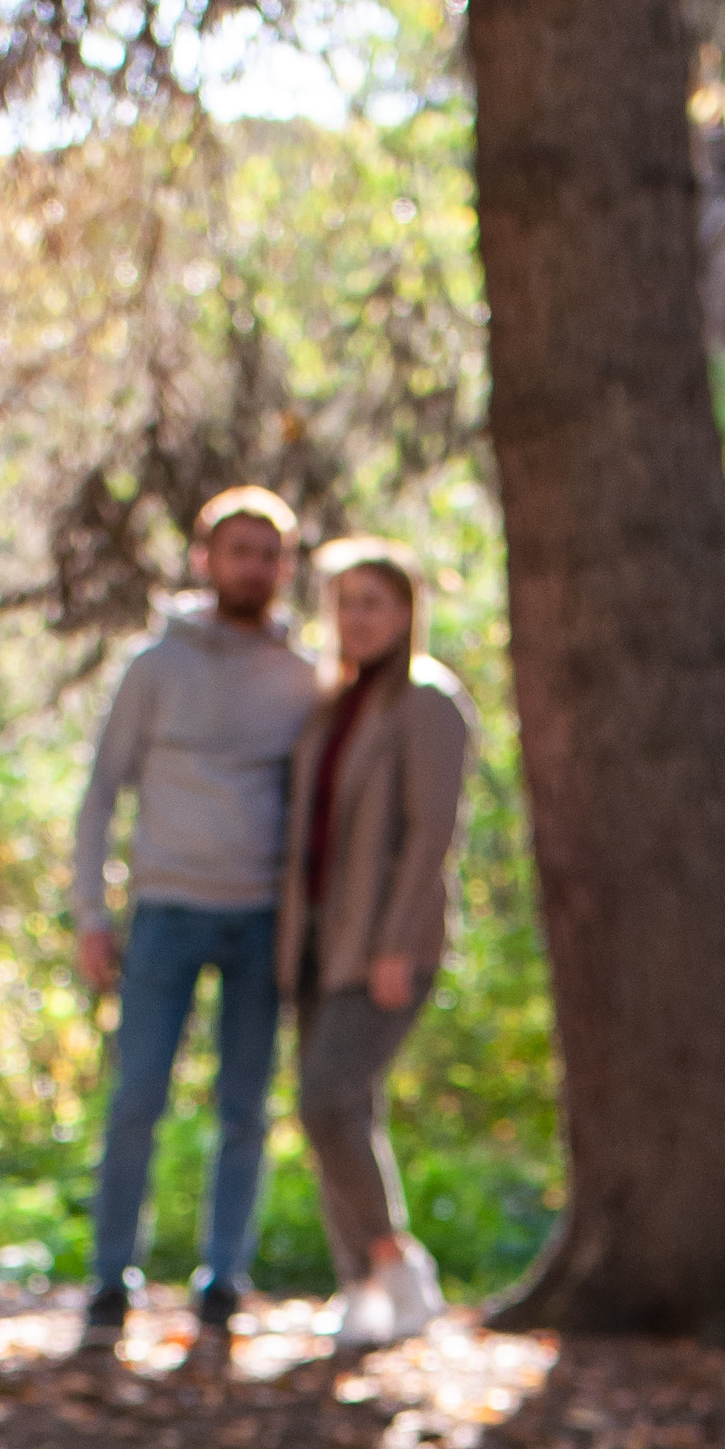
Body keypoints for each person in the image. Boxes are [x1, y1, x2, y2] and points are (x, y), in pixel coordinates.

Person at [70, 486, 321, 1359]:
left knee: (244, 1110)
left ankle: (223, 1285)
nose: (253, 566)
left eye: (270, 553)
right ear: (205, 558)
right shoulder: (154, 665)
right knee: (136, 1098)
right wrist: (90, 913)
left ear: (285, 569)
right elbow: (101, 791)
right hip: (165, 913)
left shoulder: (303, 676)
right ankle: (109, 1286)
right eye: (238, 549)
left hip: (260, 919)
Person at [277, 540, 473, 1353]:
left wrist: (398, 941)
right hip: (320, 939)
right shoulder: (331, 705)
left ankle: (396, 1261)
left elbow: (434, 830)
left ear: (405, 612)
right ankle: (358, 1286)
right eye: (345, 602)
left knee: (326, 1099)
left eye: (373, 603)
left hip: (387, 940)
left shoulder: (427, 702)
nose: (356, 618)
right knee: (344, 1111)